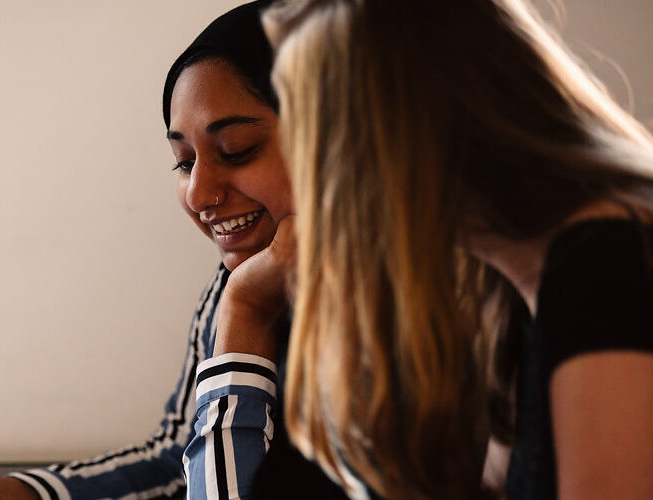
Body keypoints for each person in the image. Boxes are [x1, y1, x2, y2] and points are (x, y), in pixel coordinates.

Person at [0, 3, 352, 500]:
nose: (200, 195)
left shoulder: (400, 318)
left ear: (333, 142)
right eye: (183, 162)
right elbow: (177, 461)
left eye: (237, 149)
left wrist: (245, 313)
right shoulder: (234, 286)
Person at [199, 0, 653, 499]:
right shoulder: (504, 289)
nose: (314, 187)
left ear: (406, 129)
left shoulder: (606, 262)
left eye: (319, 143)